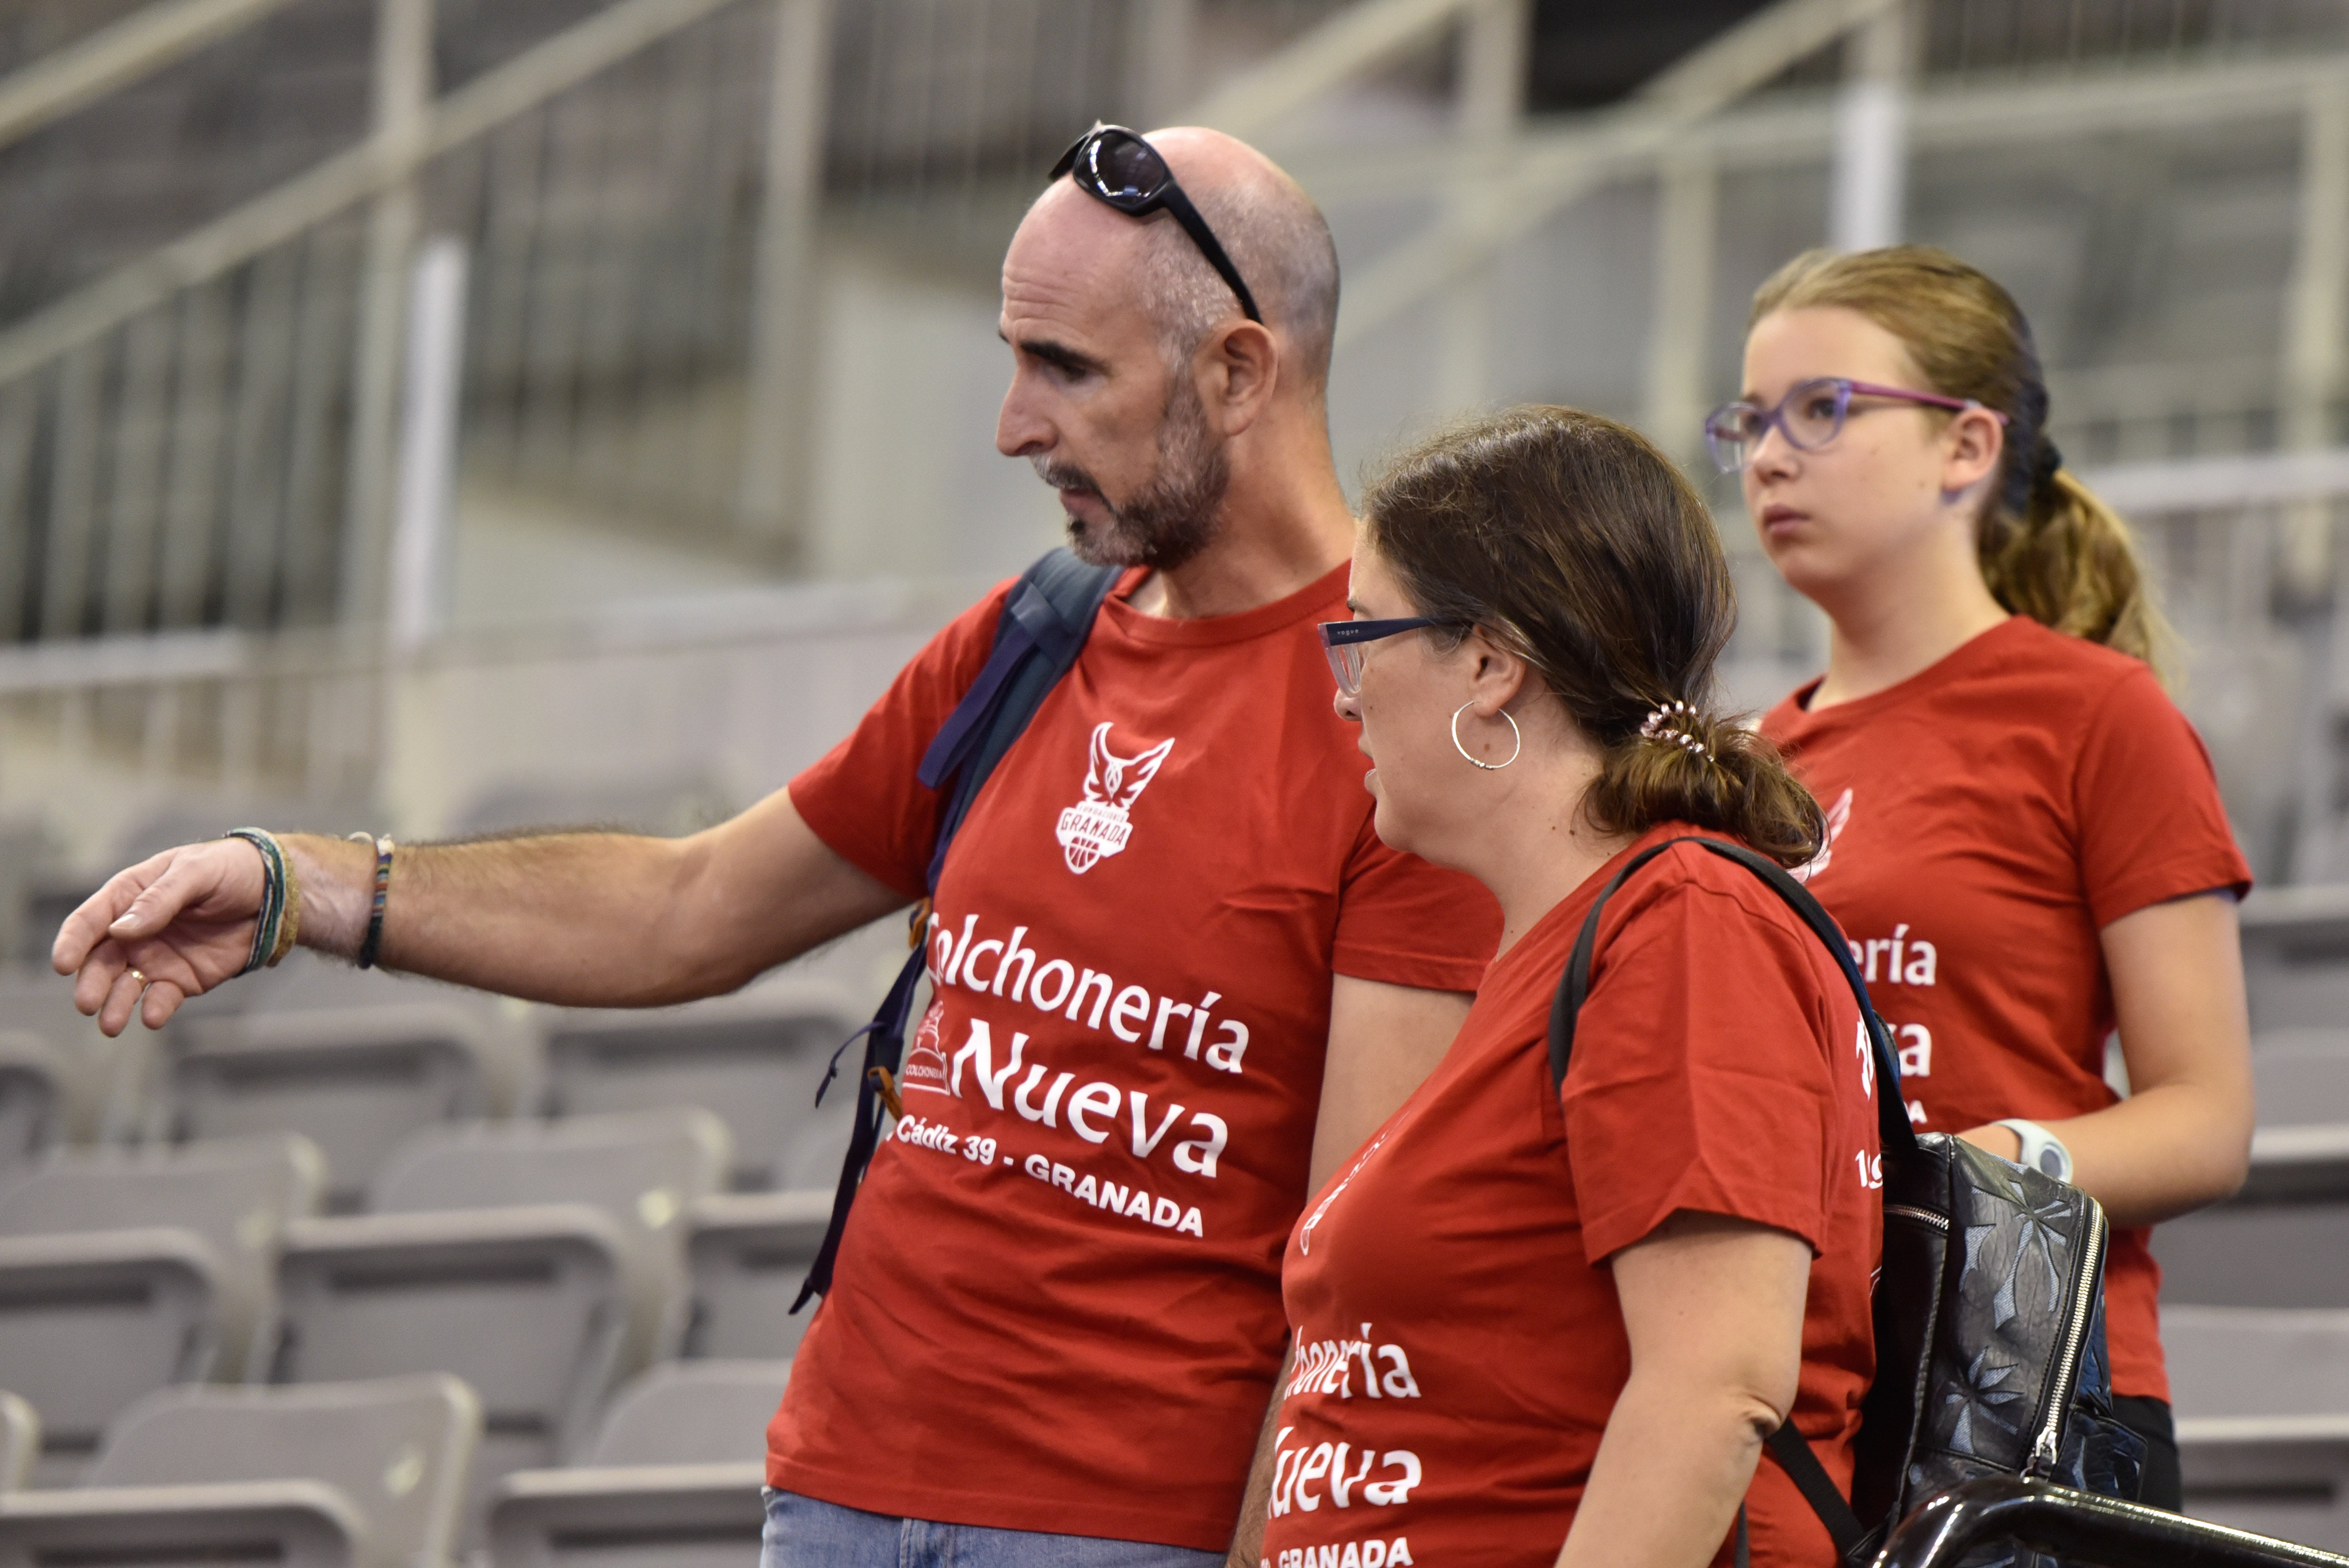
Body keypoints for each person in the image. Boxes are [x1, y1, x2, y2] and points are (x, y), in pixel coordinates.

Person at [51, 126, 1500, 1566]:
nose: (1012, 425)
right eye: (1013, 361)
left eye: (1065, 368)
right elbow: (685, 906)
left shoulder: (1403, 719)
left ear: (1238, 372)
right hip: (835, 1498)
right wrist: (306, 885)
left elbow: (1353, 1283)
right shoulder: (1030, 640)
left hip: (1128, 1530)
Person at [1235, 405, 1882, 1568]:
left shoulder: (1684, 921)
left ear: (1491, 665)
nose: (1343, 694)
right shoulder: (1570, 937)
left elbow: (1714, 1388)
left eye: (1362, 635)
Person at [1712, 244, 2255, 1511]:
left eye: (1822, 409)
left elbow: (2205, 1121)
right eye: (1750, 422)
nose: (1770, 457)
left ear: (1964, 446)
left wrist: (1972, 1162)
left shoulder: (2097, 715)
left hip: (2029, 1388)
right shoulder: (1746, 766)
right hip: (1806, 1375)